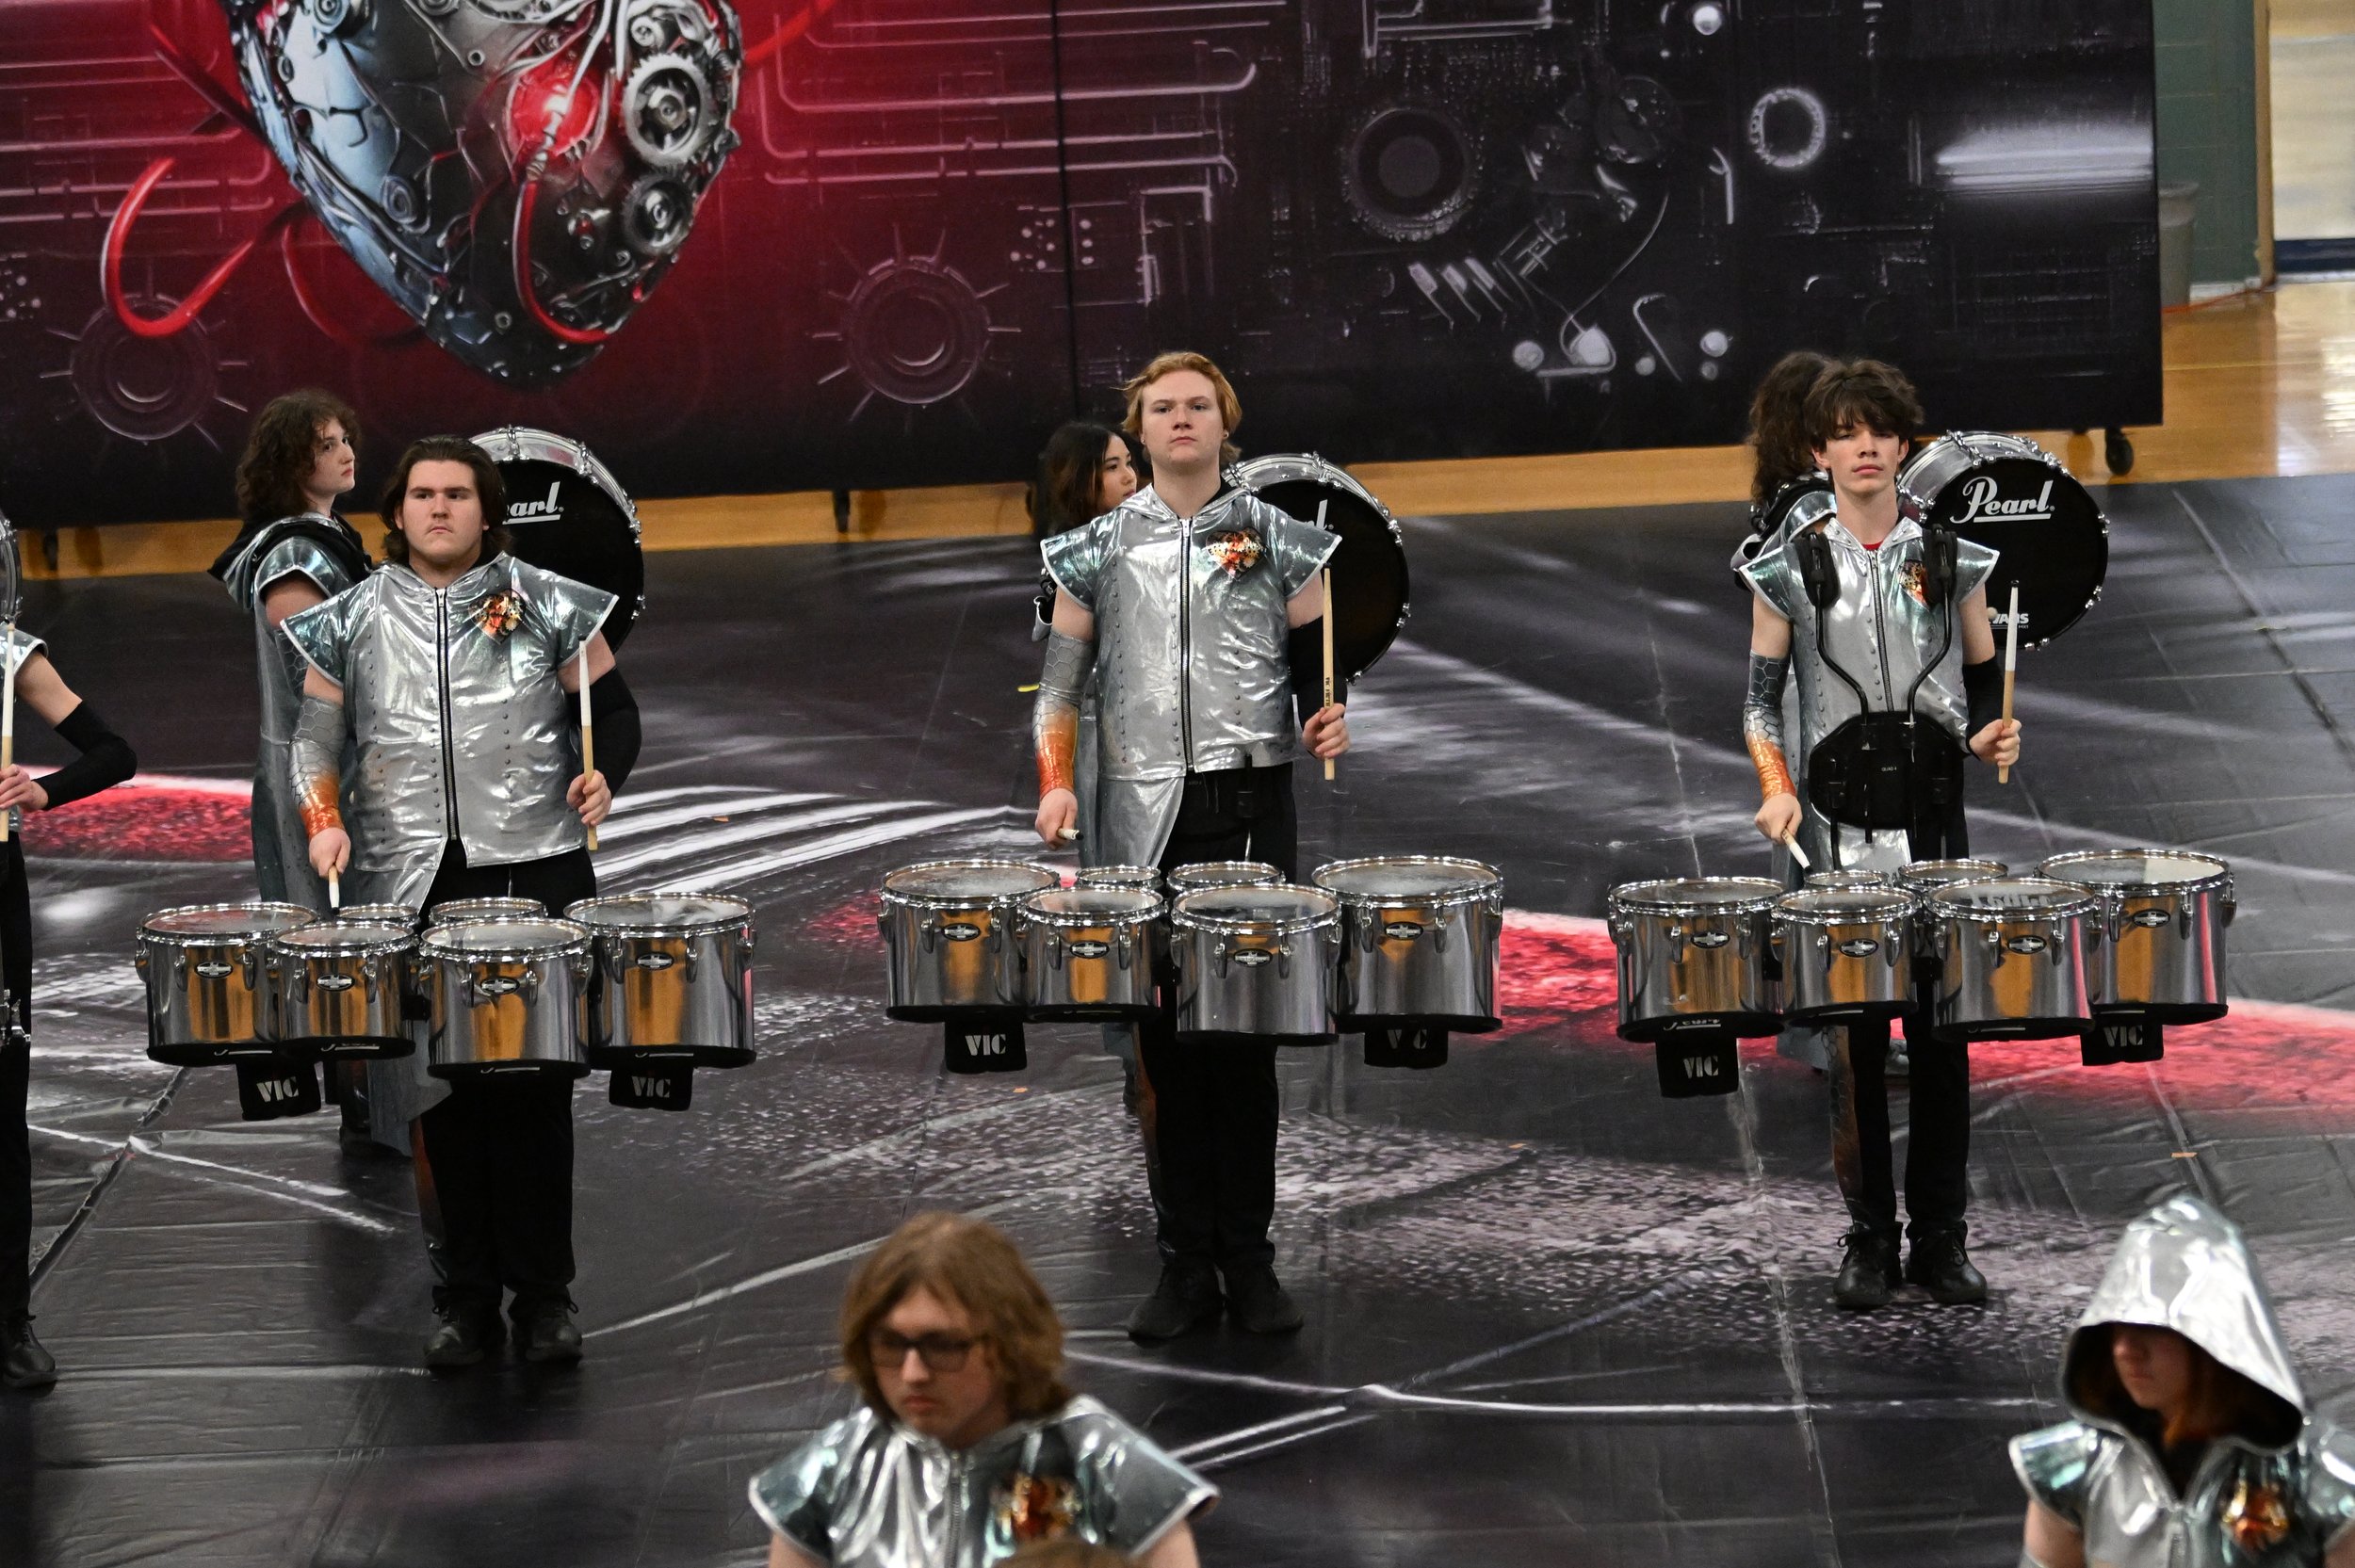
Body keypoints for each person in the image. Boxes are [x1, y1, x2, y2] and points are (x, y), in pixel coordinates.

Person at [1031, 351, 1348, 1340]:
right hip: (1139, 818)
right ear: (1136, 430)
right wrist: (1052, 783)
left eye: (1197, 406)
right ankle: (1181, 1262)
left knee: (1243, 1043)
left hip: (1249, 805)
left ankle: (1248, 1260)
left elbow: (1319, 664)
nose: (1179, 420)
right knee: (1164, 1049)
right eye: (1161, 408)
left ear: (1224, 422)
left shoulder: (1281, 539)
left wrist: (1328, 714)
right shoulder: (1093, 547)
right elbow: (1058, 687)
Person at [284, 435, 616, 1368]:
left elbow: (611, 716)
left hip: (535, 869)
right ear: (395, 512)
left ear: (486, 510)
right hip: (410, 880)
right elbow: (312, 745)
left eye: (458, 495)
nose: (439, 509)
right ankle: (464, 1300)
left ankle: (546, 1296)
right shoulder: (347, 617)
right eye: (422, 493)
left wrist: (603, 778)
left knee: (536, 1093)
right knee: (441, 1102)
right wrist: (322, 820)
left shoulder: (547, 602)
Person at [1736, 360, 2020, 1311]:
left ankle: (1941, 1238)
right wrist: (1775, 788)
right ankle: (1868, 1239)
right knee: (1856, 1047)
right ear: (1816, 451)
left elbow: (1983, 680)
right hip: (1836, 829)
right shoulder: (1787, 564)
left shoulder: (1950, 557)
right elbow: (1758, 705)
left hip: (1933, 821)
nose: (1864, 446)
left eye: (1880, 430)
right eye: (1844, 432)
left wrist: (1991, 731)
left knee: (1942, 1042)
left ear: (1903, 443)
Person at [750, 1211, 1214, 1568]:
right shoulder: (833, 1470)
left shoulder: (1104, 1464)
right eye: (890, 1344)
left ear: (1011, 1342)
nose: (913, 1373)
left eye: (943, 1346)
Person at [2011, 1194, 2355, 1567]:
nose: (2125, 1350)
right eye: (2116, 1327)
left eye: (2151, 1329)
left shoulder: (2324, 1480)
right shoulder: (2073, 1469)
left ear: (2217, 1336)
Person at [0, 634, 138, 1388]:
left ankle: (9, 1320)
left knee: (1, 1118)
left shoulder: (7, 652)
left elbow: (113, 751)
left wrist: (41, 790)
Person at [216, 389, 372, 912]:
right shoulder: (294, 554)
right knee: (331, 936)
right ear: (290, 463)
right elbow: (311, 679)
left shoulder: (325, 534)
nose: (347, 453)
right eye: (327, 446)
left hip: (343, 759)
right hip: (321, 767)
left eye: (345, 440)